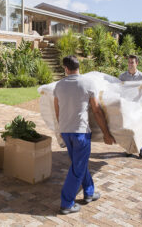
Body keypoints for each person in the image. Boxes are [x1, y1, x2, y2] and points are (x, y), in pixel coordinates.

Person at [54, 55, 116, 215]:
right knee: (77, 168)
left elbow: (57, 110)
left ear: (66, 69)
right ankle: (66, 203)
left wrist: (61, 128)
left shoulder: (59, 85)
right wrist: (106, 133)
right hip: (80, 132)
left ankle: (89, 193)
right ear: (78, 67)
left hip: (66, 132)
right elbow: (96, 110)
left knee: (79, 164)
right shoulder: (88, 83)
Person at [119, 55, 142, 159]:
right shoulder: (122, 76)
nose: (130, 64)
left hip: (137, 105)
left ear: (137, 63)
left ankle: (140, 148)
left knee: (137, 128)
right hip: (126, 106)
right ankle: (129, 149)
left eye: (132, 62)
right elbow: (119, 90)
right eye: (129, 62)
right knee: (128, 128)